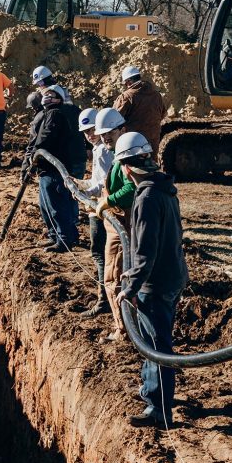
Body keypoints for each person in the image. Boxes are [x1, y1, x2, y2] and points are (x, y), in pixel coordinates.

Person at [113, 131, 188, 430]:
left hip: (156, 284)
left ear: (126, 168)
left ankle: (159, 409)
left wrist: (129, 287)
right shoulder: (165, 188)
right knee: (151, 340)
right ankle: (152, 390)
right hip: (173, 275)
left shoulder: (146, 198)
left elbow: (145, 252)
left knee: (157, 345)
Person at [92, 107, 135, 341]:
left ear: (123, 129)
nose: (105, 137)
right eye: (102, 134)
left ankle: (123, 330)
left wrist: (108, 201)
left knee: (115, 277)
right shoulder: (120, 154)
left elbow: (131, 189)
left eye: (110, 132)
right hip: (118, 224)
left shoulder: (126, 156)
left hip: (122, 227)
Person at [24, 85, 80, 252]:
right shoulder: (49, 113)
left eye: (51, 94)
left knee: (56, 206)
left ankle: (64, 240)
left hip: (54, 168)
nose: (47, 96)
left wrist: (34, 154)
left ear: (59, 98)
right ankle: (54, 235)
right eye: (46, 93)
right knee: (45, 205)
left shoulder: (55, 114)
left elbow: (45, 137)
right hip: (45, 168)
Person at [71, 107, 113, 317]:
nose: (89, 134)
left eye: (92, 129)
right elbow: (97, 181)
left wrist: (86, 191)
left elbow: (105, 183)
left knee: (100, 253)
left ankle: (104, 299)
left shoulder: (104, 150)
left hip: (104, 208)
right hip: (98, 205)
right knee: (100, 253)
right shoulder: (99, 149)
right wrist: (80, 184)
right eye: (85, 131)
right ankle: (105, 297)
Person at [113, 66, 167, 158]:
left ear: (129, 81)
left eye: (125, 84)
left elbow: (113, 119)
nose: (126, 87)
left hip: (133, 144)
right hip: (153, 142)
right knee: (150, 166)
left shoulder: (126, 97)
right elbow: (163, 114)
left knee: (134, 168)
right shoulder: (156, 95)